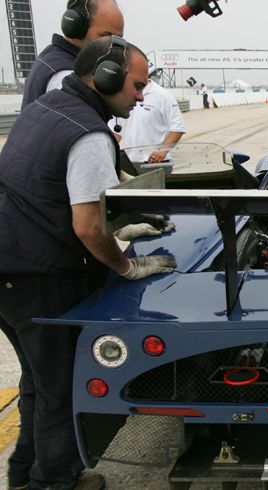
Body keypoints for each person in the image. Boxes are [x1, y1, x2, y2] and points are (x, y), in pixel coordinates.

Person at [0, 36, 176, 490]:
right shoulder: (89, 133)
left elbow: (55, 192)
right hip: (37, 275)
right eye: (137, 85)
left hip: (9, 268)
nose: (141, 96)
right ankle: (55, 480)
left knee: (38, 381)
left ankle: (22, 473)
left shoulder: (45, 108)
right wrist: (126, 267)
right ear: (105, 77)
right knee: (59, 386)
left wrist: (128, 223)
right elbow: (88, 228)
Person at [22, 0, 124, 108]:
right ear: (77, 27)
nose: (112, 47)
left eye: (118, 41)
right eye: (106, 36)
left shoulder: (52, 59)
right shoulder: (65, 78)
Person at [113, 70, 187, 163]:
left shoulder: (163, 96)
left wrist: (162, 151)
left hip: (155, 163)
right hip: (128, 163)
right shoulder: (122, 96)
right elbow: (116, 132)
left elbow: (177, 128)